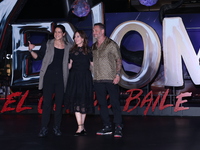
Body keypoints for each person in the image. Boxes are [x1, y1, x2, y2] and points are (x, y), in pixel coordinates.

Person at [28, 25, 72, 137]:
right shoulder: (47, 44)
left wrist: (71, 64)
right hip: (49, 76)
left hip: (61, 78)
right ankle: (44, 128)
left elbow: (73, 58)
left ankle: (57, 127)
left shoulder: (68, 47)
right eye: (55, 32)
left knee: (58, 104)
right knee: (47, 103)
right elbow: (38, 57)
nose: (57, 34)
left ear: (64, 34)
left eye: (59, 32)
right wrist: (31, 50)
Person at [92, 23, 123, 138]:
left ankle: (118, 126)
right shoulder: (94, 46)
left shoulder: (111, 44)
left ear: (102, 31)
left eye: (96, 30)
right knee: (102, 104)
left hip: (111, 78)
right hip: (98, 79)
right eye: (93, 31)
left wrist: (118, 74)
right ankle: (107, 126)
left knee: (114, 103)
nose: (94, 32)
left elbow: (118, 60)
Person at [65, 30, 94, 136]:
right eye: (75, 37)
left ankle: (82, 126)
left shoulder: (89, 50)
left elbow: (92, 65)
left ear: (82, 38)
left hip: (85, 78)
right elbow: (69, 65)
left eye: (78, 36)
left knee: (84, 101)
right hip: (75, 78)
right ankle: (80, 127)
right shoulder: (72, 51)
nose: (75, 38)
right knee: (76, 101)